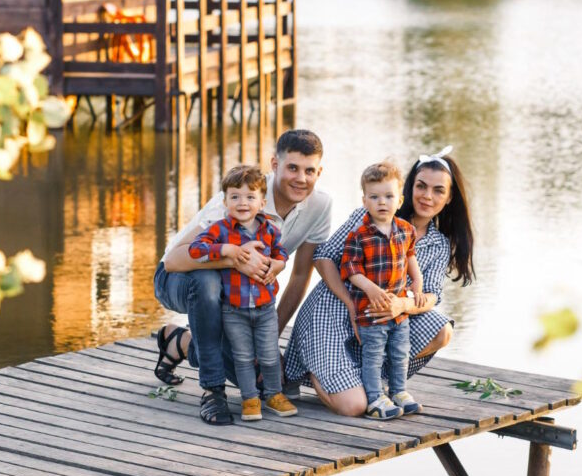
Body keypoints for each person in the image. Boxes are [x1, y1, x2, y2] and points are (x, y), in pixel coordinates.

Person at [153, 130, 332, 425]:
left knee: (266, 382)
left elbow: (300, 275)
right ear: (275, 164)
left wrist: (269, 336)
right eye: (292, 168)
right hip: (180, 280)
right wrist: (235, 258)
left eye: (309, 170)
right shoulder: (242, 196)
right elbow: (174, 261)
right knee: (207, 284)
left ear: (319, 172)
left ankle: (179, 342)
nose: (301, 178)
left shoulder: (320, 205)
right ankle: (212, 391)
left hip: (238, 295)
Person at [284, 146, 475, 416]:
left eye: (438, 190)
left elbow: (430, 295)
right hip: (334, 312)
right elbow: (323, 257)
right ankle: (311, 368)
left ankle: (375, 383)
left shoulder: (438, 244)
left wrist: (400, 306)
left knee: (442, 330)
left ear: (449, 197)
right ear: (408, 190)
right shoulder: (372, 212)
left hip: (385, 319)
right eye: (421, 186)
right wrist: (351, 304)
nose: (427, 196)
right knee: (354, 407)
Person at [187, 165, 298, 421]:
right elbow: (195, 249)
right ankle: (250, 399)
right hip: (234, 310)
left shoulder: (270, 230)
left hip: (265, 309)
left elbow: (280, 252)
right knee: (243, 357)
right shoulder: (220, 230)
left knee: (269, 355)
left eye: (250, 197)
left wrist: (280, 263)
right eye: (235, 197)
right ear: (225, 201)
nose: (242, 203)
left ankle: (273, 394)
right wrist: (227, 250)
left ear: (262, 202)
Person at [341, 162, 426, 419]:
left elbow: (411, 259)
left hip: (398, 310)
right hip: (372, 311)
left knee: (401, 353)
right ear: (365, 200)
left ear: (399, 200)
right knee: (374, 356)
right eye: (375, 197)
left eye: (389, 196)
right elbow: (351, 270)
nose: (382, 202)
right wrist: (371, 289)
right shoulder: (359, 236)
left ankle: (399, 391)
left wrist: (417, 285)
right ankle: (376, 398)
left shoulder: (406, 230)